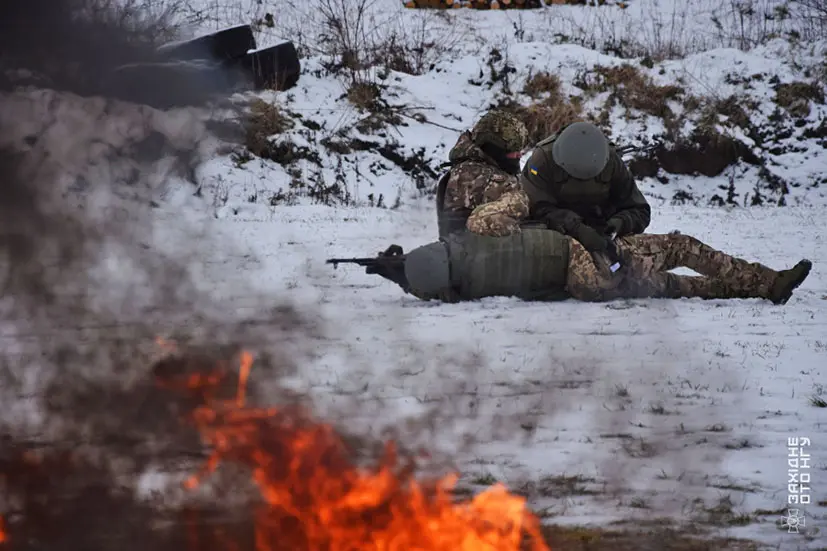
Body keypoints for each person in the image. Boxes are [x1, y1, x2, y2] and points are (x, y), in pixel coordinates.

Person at [351, 228, 812, 306]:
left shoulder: (462, 286)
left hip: (598, 281)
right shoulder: (482, 236)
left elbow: (432, 282)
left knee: (679, 286)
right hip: (599, 260)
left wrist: (397, 269)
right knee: (682, 248)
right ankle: (767, 282)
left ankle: (763, 287)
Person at [466, 121, 651, 250]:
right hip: (555, 236)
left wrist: (618, 224)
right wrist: (575, 227)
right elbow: (532, 207)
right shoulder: (542, 160)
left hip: (605, 237)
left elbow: (639, 210)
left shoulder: (612, 162)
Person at [435, 110, 529, 238]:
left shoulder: (474, 169)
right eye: (513, 150)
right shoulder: (476, 175)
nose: (519, 155)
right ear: (494, 148)